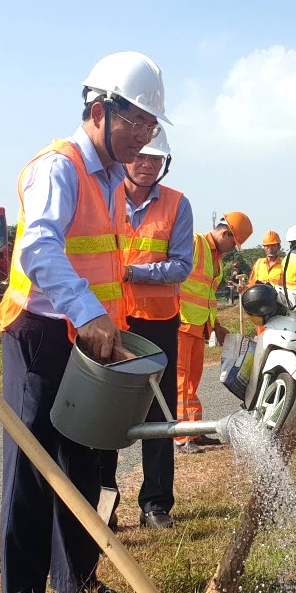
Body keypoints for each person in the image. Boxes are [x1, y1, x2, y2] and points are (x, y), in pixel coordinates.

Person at [0, 51, 171, 593]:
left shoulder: (112, 178)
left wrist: (100, 322)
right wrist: (89, 314)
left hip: (90, 336)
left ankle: (77, 581)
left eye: (150, 125)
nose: (144, 135)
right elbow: (38, 249)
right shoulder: (59, 167)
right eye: (136, 121)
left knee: (86, 459)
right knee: (33, 466)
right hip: (43, 332)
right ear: (98, 110)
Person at [98, 130, 193, 530]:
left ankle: (156, 504)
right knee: (106, 416)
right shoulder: (104, 195)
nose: (146, 164)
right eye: (140, 156)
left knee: (159, 414)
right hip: (111, 322)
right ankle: (104, 504)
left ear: (164, 164)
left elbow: (181, 265)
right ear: (126, 158)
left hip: (157, 325)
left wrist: (131, 272)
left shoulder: (177, 204)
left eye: (155, 159)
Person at [176, 213, 253, 454]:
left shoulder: (216, 260)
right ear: (225, 233)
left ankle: (194, 432)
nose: (232, 249)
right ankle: (180, 438)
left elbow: (207, 297)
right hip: (180, 325)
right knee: (180, 384)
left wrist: (216, 326)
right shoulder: (194, 243)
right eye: (234, 243)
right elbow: (174, 280)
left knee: (192, 383)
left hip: (198, 327)